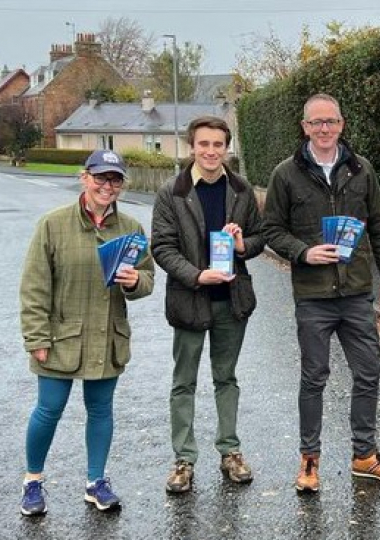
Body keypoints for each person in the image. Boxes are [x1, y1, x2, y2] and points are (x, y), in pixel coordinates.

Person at [262, 93, 380, 493]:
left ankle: (364, 454)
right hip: (312, 295)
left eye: (330, 122)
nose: (324, 129)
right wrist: (304, 252)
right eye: (315, 123)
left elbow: (379, 224)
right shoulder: (285, 174)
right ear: (304, 127)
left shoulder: (362, 170)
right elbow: (271, 230)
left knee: (369, 372)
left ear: (342, 124)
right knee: (314, 378)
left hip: (357, 292)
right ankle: (309, 459)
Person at [19, 149, 155, 515]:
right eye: (100, 178)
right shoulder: (53, 224)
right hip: (60, 337)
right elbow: (34, 286)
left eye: (115, 180)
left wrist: (134, 281)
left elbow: (148, 280)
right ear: (84, 178)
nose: (107, 186)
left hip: (107, 336)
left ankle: (96, 482)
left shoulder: (131, 228)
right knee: (48, 410)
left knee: (101, 411)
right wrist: (36, 337)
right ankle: (32, 481)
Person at [151, 116, 265, 494]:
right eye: (204, 144)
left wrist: (242, 245)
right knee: (184, 382)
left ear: (226, 147)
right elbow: (162, 247)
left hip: (232, 302)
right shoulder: (172, 191)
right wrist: (198, 276)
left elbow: (260, 237)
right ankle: (183, 459)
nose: (212, 151)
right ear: (192, 147)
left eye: (218, 144)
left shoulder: (242, 190)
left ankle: (230, 452)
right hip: (190, 299)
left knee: (226, 378)